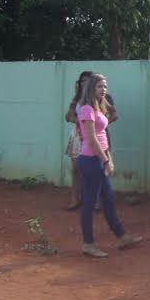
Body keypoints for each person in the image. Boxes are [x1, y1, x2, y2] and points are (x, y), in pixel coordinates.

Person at [75, 73, 143, 258]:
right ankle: (88, 244)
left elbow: (103, 136)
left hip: (98, 159)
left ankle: (122, 237)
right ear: (91, 88)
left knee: (109, 200)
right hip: (90, 161)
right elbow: (91, 138)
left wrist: (108, 157)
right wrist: (104, 160)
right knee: (90, 202)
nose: (103, 89)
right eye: (99, 86)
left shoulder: (98, 106)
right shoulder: (86, 108)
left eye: (105, 86)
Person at [65, 70, 93, 210]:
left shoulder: (97, 98)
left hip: (91, 136)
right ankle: (74, 199)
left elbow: (107, 116)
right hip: (77, 136)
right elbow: (68, 117)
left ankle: (93, 201)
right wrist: (80, 121)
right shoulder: (76, 99)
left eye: (88, 80)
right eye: (82, 81)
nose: (85, 83)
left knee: (91, 169)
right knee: (76, 169)